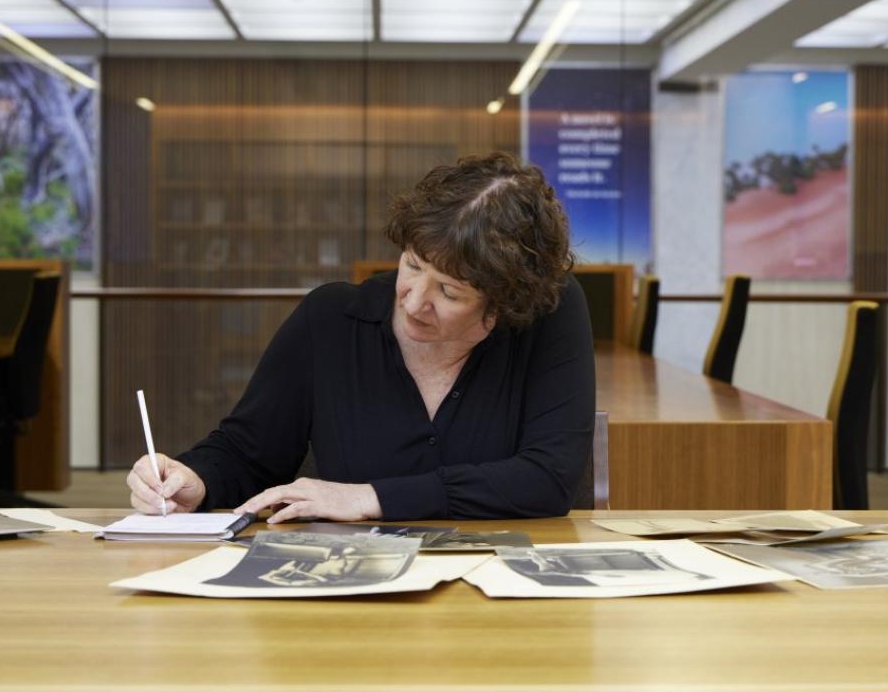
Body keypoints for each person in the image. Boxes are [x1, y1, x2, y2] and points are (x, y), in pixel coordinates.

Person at [126, 151, 595, 521]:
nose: (413, 302)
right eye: (412, 265)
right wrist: (195, 478)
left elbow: (547, 480)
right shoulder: (330, 320)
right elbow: (250, 453)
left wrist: (371, 498)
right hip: (354, 596)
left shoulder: (547, 314)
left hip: (502, 600)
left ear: (507, 302)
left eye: (449, 292)